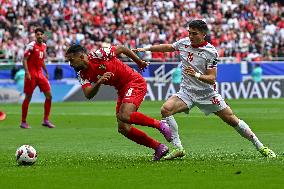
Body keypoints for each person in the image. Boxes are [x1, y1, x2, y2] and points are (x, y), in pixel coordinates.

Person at [134, 19, 276, 159]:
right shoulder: (184, 43)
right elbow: (169, 47)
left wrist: (196, 74)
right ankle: (178, 148)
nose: (190, 36)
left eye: (194, 33)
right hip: (187, 92)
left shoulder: (211, 52)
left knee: (233, 121)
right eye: (189, 33)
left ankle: (260, 146)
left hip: (207, 94)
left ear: (203, 34)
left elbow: (212, 78)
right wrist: (147, 49)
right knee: (166, 109)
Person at [65, 44, 172, 161]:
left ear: (81, 57)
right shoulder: (81, 74)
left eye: (71, 60)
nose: (70, 64)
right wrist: (99, 82)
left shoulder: (99, 55)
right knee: (123, 128)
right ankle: (158, 147)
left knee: (125, 115)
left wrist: (139, 62)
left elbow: (122, 48)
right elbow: (88, 94)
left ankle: (160, 124)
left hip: (134, 81)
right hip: (121, 89)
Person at [20, 27, 55, 129]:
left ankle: (46, 120)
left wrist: (46, 71)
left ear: (44, 35)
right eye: (37, 34)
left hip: (40, 75)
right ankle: (23, 122)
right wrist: (27, 73)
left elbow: (41, 60)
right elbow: (24, 60)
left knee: (49, 96)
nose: (39, 36)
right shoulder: (31, 46)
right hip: (31, 75)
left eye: (41, 34)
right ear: (35, 35)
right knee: (28, 98)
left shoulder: (44, 46)